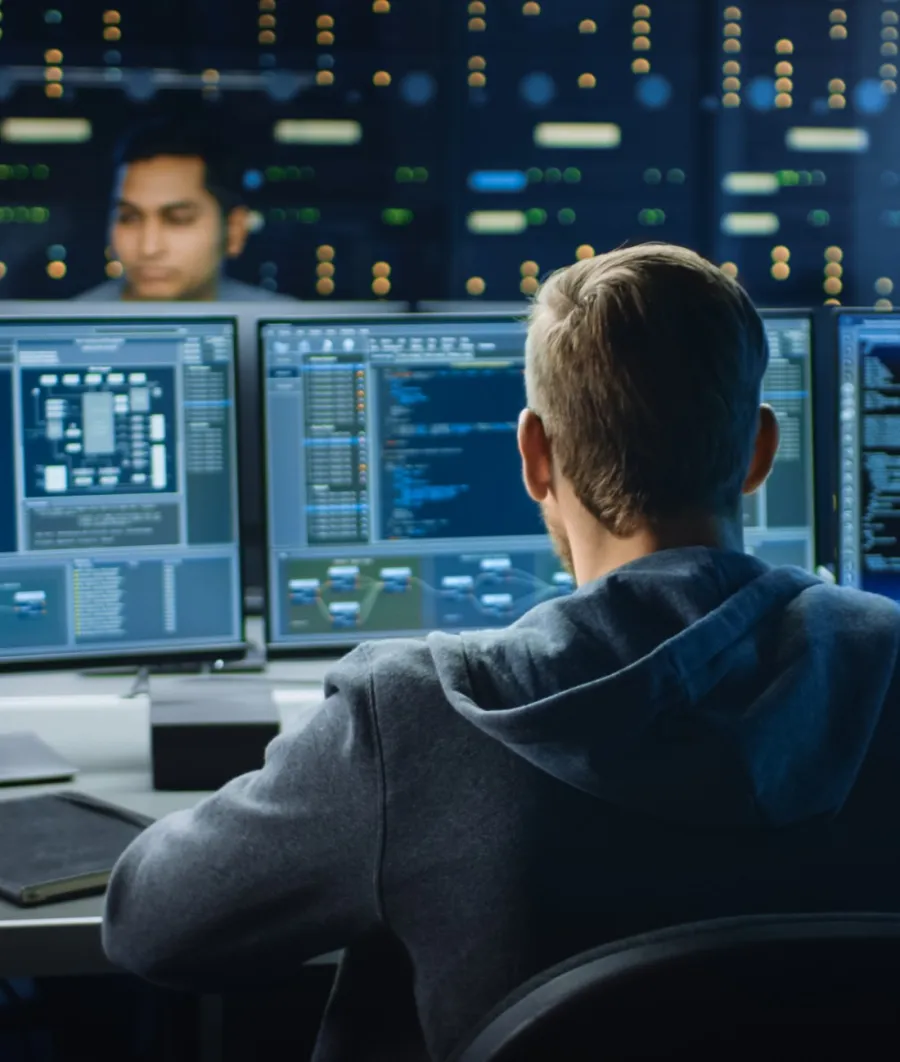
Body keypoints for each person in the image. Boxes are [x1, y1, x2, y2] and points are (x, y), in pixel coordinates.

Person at [102, 244, 900, 1061]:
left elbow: (150, 927)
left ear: (534, 456)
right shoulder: (887, 668)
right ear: (762, 451)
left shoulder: (411, 718)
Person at [76, 119, 294, 302]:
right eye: (128, 218)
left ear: (235, 231)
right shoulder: (71, 325)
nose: (149, 248)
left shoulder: (282, 325)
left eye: (178, 220)